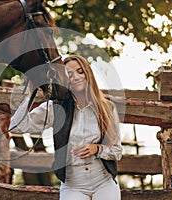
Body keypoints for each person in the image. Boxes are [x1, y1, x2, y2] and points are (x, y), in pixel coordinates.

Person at [9, 55, 123, 200]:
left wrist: (97, 149)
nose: (75, 77)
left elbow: (117, 151)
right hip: (73, 185)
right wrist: (30, 93)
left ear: (88, 74)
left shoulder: (107, 108)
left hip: (103, 181)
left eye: (80, 71)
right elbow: (16, 126)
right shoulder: (55, 108)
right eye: (69, 74)